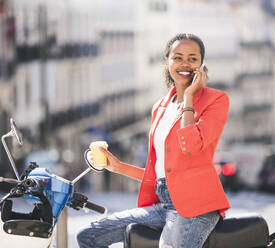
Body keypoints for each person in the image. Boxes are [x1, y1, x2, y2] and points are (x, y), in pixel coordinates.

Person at [77, 33, 231, 248]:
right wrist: (119, 167)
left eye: (192, 58)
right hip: (163, 205)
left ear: (201, 65)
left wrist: (189, 97)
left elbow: (192, 147)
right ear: (167, 61)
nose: (184, 63)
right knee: (88, 236)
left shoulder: (215, 100)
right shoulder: (161, 106)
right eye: (177, 57)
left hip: (195, 207)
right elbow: (162, 175)